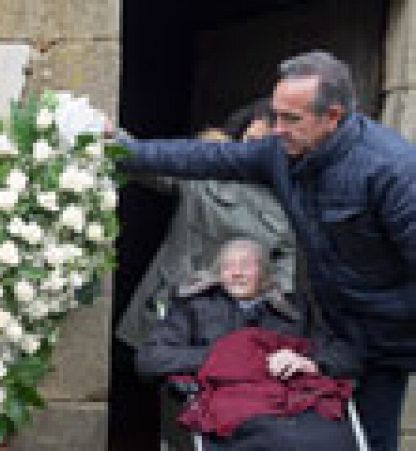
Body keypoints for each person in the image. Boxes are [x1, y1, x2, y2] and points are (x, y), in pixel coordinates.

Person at [118, 50, 416, 451]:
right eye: (276, 114)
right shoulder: (281, 150)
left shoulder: (392, 171)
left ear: (333, 116)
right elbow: (204, 157)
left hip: (384, 334)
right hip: (328, 325)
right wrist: (120, 148)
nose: (276, 128)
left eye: (291, 119)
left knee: (371, 438)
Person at [135, 239, 361, 450]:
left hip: (299, 403)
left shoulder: (294, 311)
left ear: (263, 273)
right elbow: (150, 359)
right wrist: (233, 359)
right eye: (228, 267)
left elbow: (348, 357)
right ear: (218, 274)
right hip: (235, 406)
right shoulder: (195, 309)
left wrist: (310, 363)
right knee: (281, 439)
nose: (236, 273)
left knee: (335, 439)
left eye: (246, 265)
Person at [116, 101, 295, 353]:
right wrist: (111, 137)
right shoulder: (211, 165)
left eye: (265, 145)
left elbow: (285, 284)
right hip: (170, 304)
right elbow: (150, 165)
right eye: (250, 141)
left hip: (234, 328)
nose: (255, 152)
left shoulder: (294, 200)